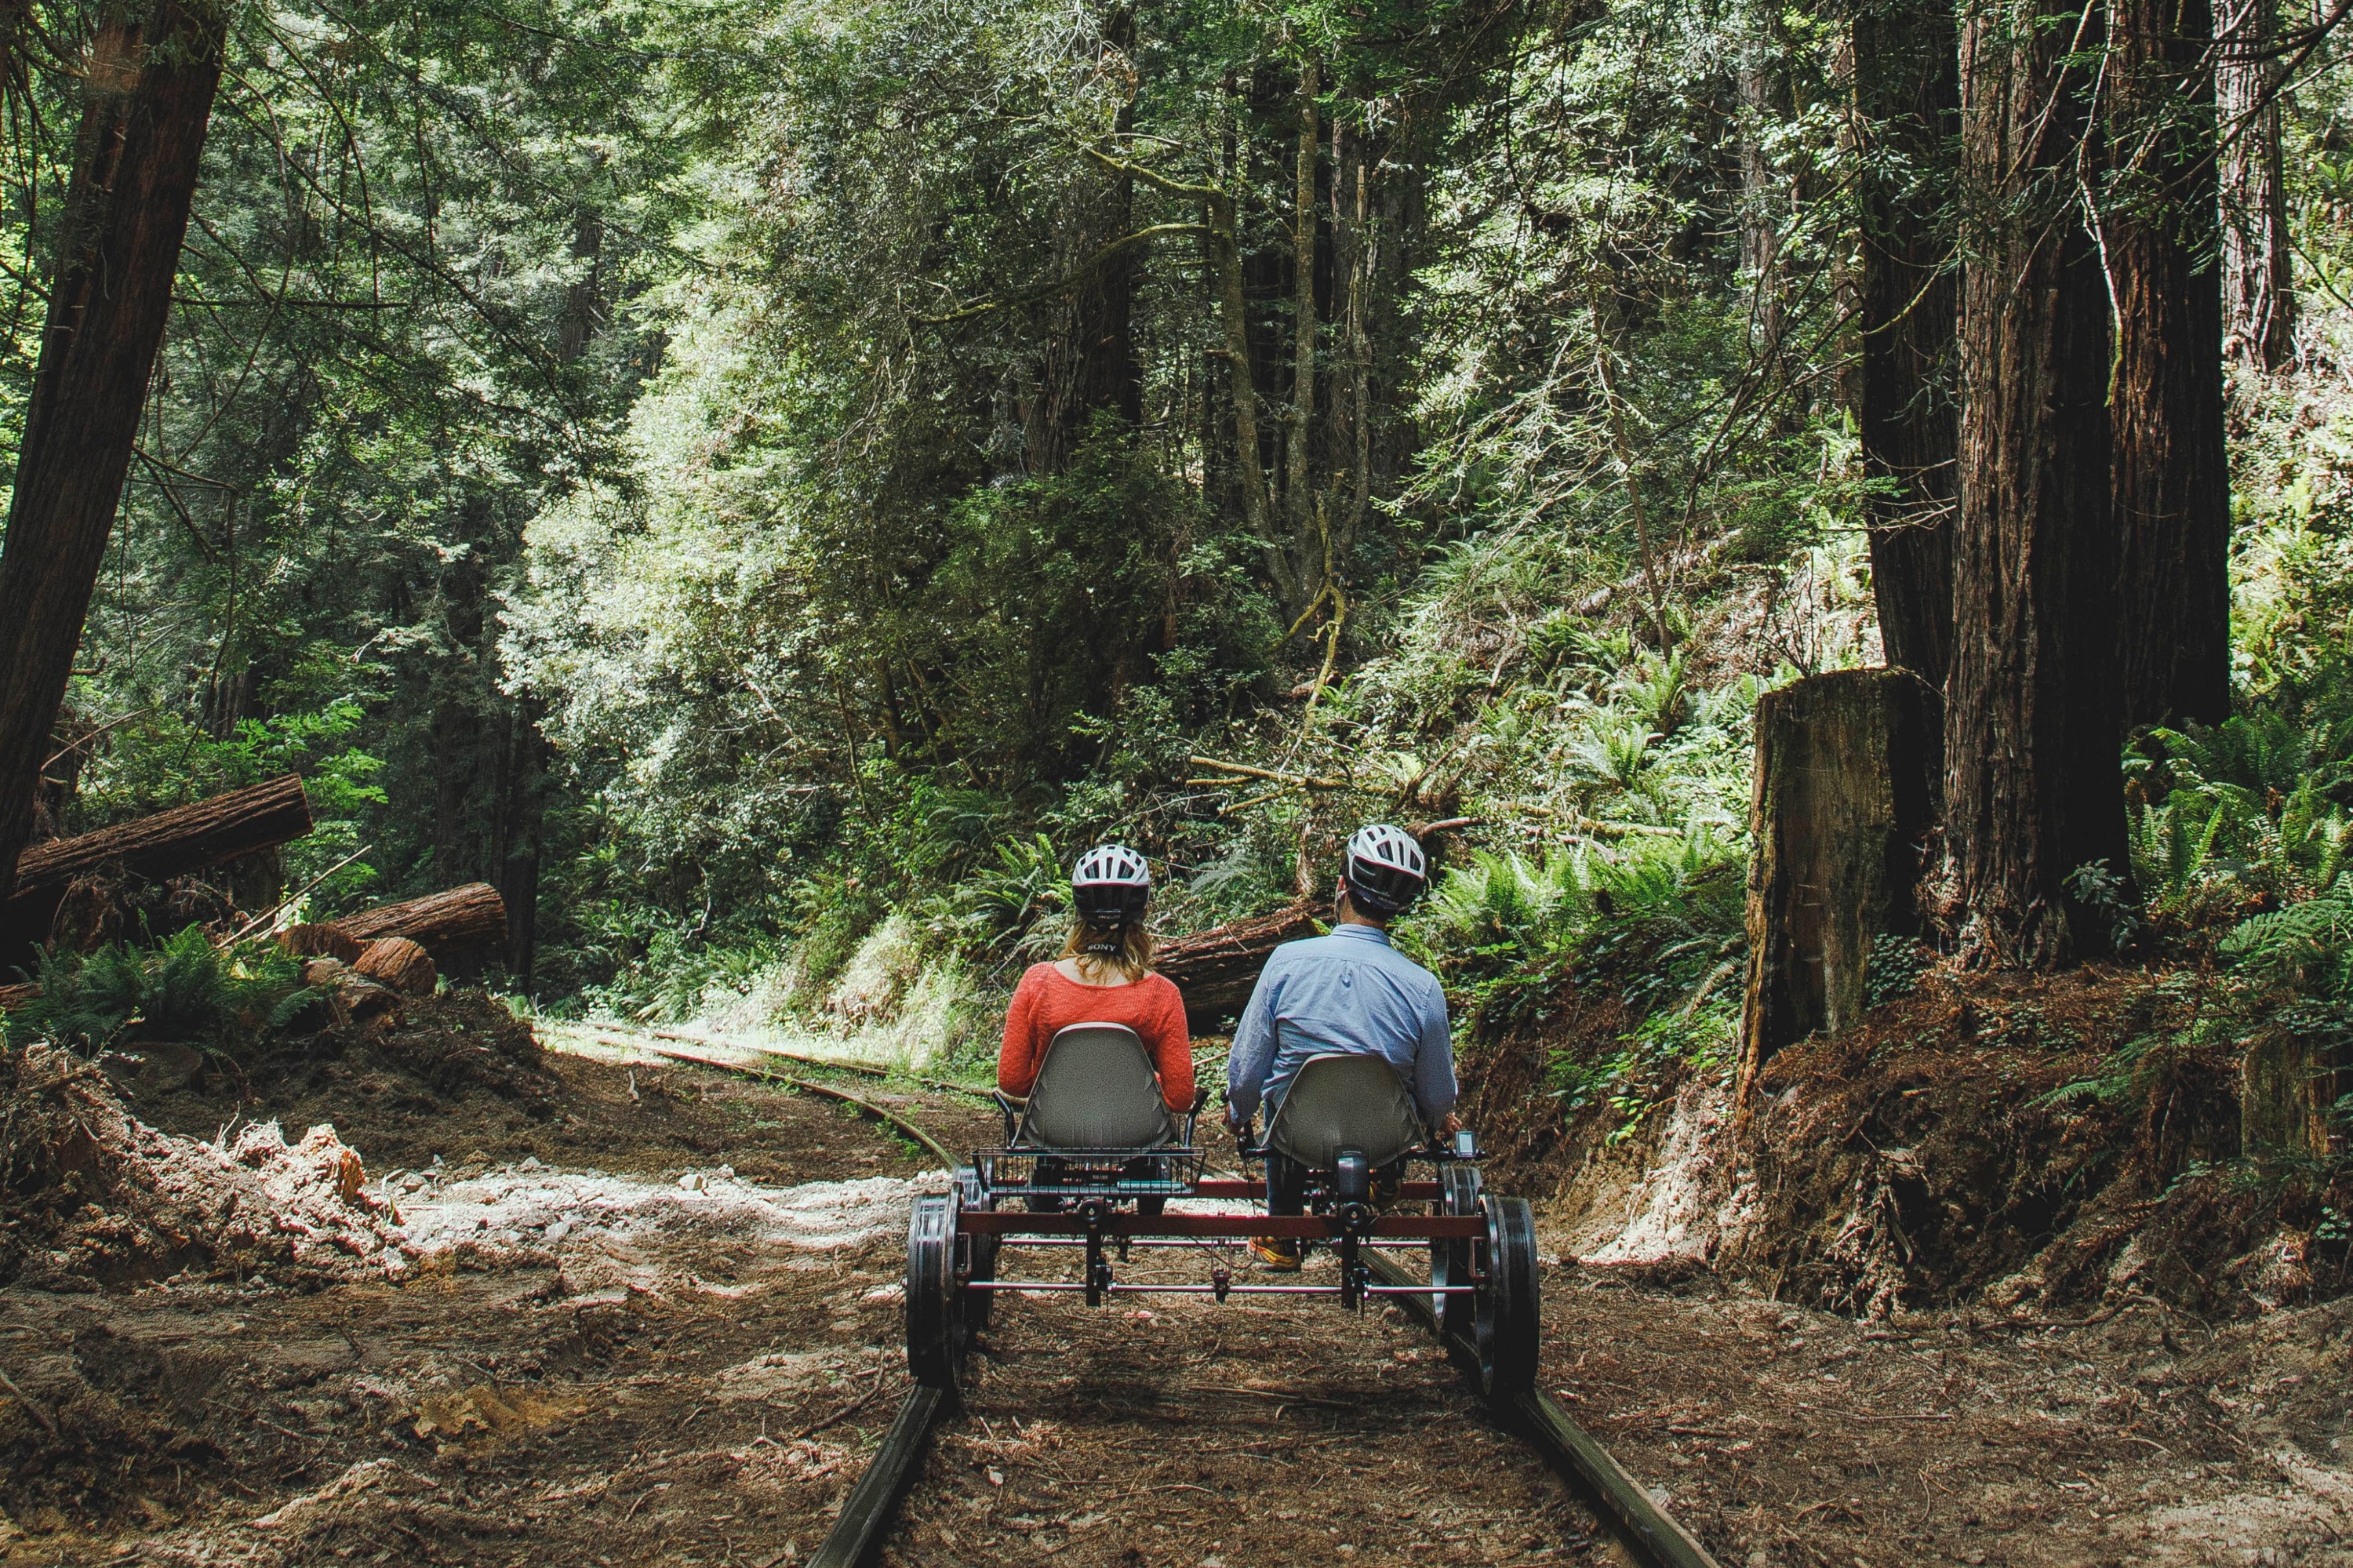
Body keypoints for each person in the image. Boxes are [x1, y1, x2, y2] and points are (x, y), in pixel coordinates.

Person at [1226, 823, 1459, 1271]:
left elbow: (1248, 1070)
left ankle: (1282, 1232)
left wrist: (1239, 1115)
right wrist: (1437, 1120)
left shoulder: (1285, 963)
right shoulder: (1423, 988)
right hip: (1384, 1138)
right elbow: (1436, 1096)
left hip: (1299, 1135)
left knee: (1283, 1086)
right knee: (1400, 1088)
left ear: (1341, 888)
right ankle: (1383, 1178)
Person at [998, 841, 1195, 1120]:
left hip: (1055, 1134)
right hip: (1135, 1138)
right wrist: (1135, 1078)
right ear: (1143, 912)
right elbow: (1180, 1097)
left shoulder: (1037, 982)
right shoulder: (1162, 994)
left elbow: (1012, 1081)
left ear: (1078, 911)